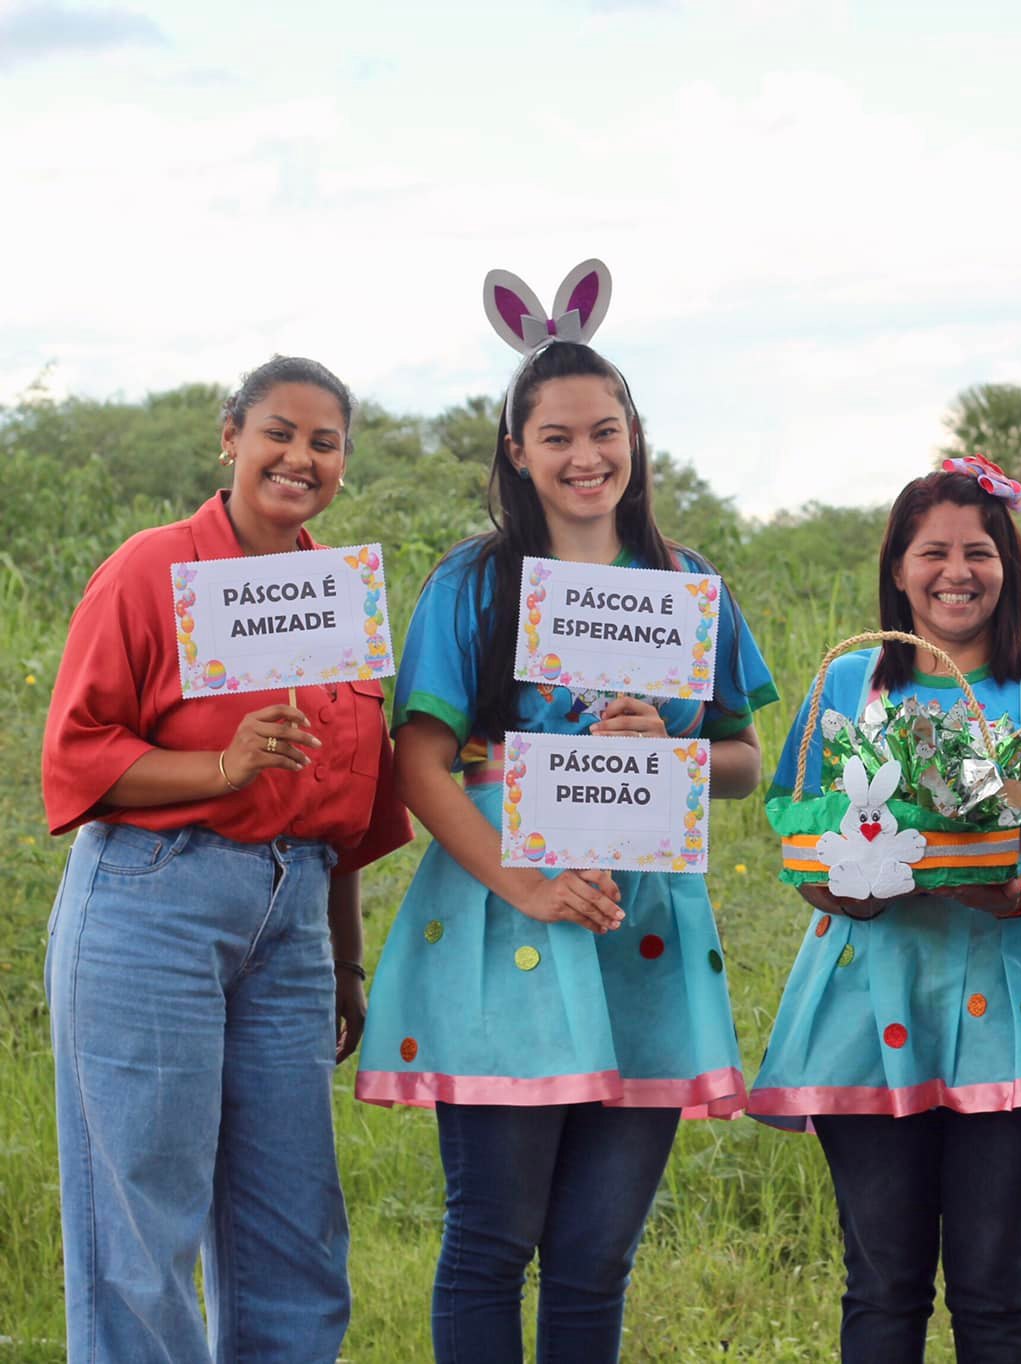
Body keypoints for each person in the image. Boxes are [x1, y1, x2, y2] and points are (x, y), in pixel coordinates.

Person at [352, 261, 777, 1362]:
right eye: (557, 435)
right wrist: (526, 879)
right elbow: (421, 761)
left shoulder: (691, 583)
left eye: (606, 430)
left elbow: (745, 760)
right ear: (516, 450)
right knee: (492, 1238)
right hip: (510, 922)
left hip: (641, 926)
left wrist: (677, 745)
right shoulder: (472, 583)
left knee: (595, 1256)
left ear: (636, 435)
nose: (586, 456)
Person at [42, 355, 413, 1361]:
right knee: (142, 1222)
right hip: (154, 900)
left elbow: (347, 811)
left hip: (292, 919)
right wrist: (222, 760)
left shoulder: (337, 597)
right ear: (230, 437)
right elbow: (79, 760)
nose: (300, 456)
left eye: (324, 442)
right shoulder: (149, 569)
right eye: (279, 433)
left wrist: (342, 959)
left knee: (293, 1223)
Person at [749, 455, 1021, 1363]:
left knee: (995, 1287)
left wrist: (1019, 892)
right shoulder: (848, 686)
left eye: (979, 551)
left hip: (1018, 1006)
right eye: (933, 551)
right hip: (872, 1001)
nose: (957, 571)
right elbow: (801, 834)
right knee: (882, 1285)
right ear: (898, 567)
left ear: (1010, 564)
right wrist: (840, 890)